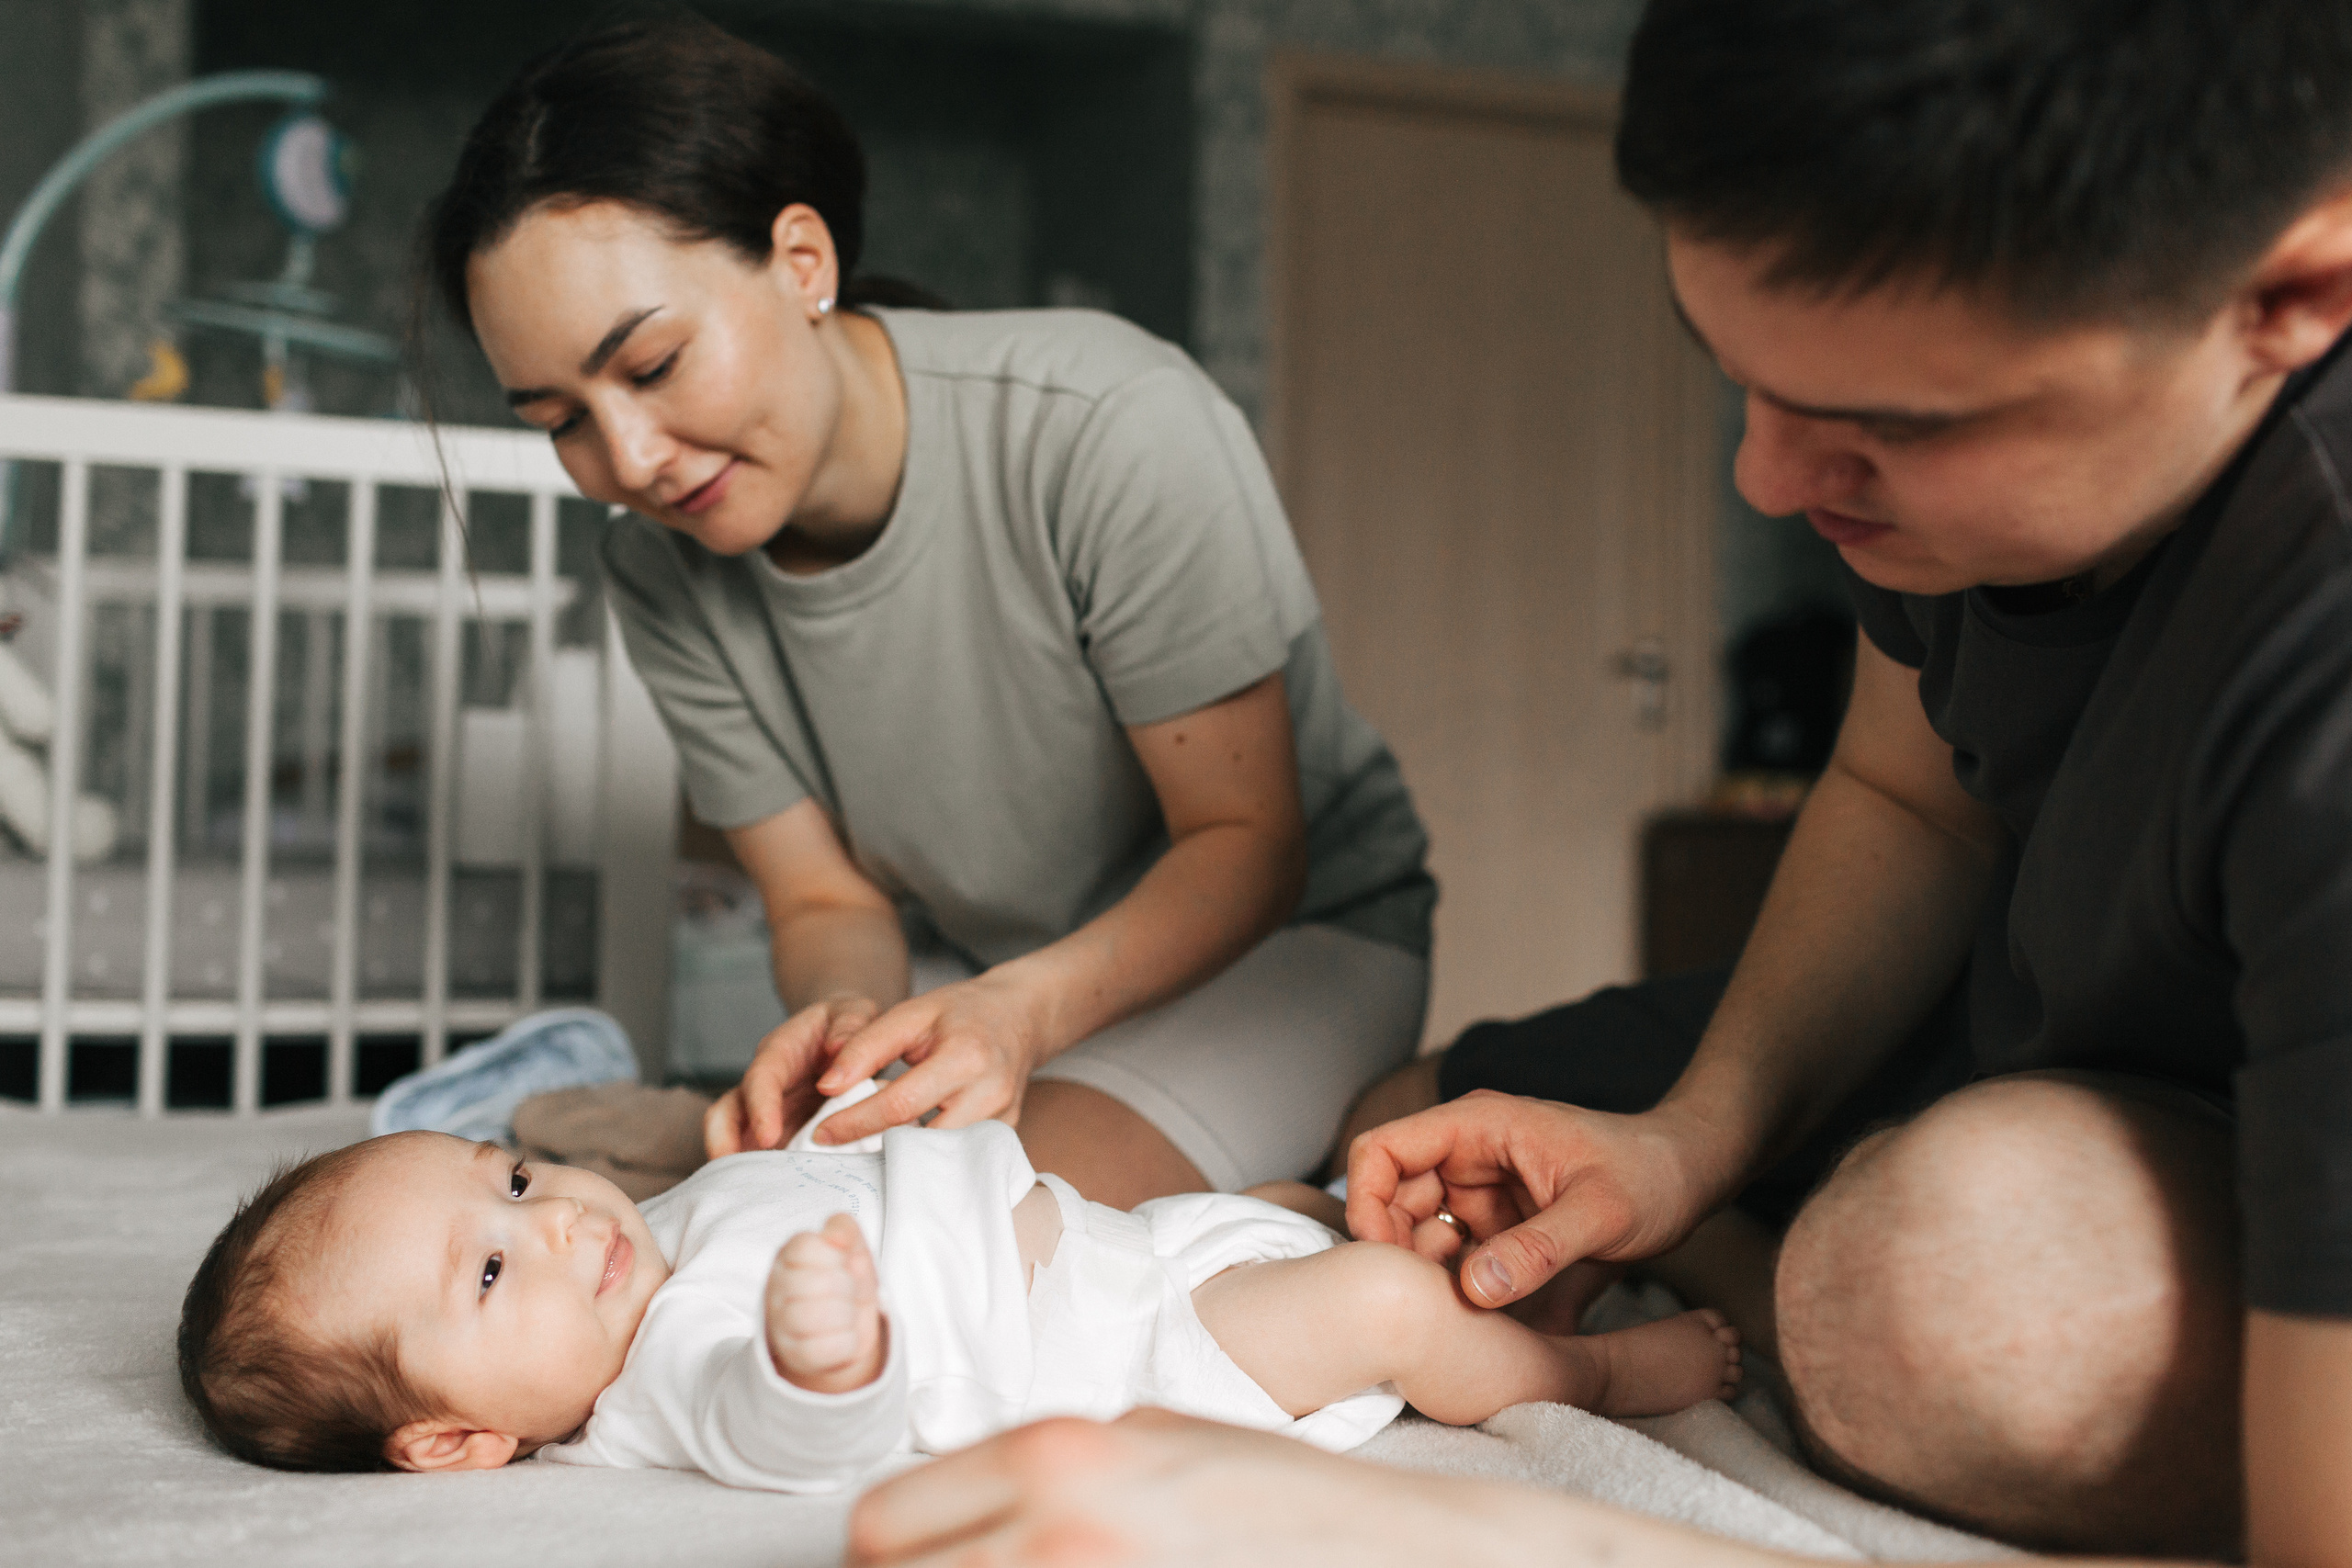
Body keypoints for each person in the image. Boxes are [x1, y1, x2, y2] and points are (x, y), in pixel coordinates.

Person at [842, 2, 2352, 1563]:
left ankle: (1783, 1277)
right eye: (1741, 378)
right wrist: (1687, 1144)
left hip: (2199, 1114)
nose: (1769, 481)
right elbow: (1909, 794)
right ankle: (1742, 1238)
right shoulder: (1969, 466)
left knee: (1931, 1298)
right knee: (1416, 1132)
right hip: (2025, 1008)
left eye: (1886, 429)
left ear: (2289, 298)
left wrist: (1446, 1538)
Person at [419, 16, 1435, 1210]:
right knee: (816, 1205)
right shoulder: (659, 572)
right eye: (560, 424)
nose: (630, 457)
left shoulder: (1107, 423)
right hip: (1001, 973)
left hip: (1293, 944)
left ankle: (1388, 1107)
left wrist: (1018, 1012)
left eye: (650, 368)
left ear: (802, 261)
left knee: (979, 1237)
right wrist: (848, 1023)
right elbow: (823, 899)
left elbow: (1247, 846)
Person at [172, 1100, 1743, 1484]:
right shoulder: (668, 1370)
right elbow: (783, 1436)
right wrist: (818, 1362)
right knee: (1389, 1316)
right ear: (454, 1440)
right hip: (1143, 1355)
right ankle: (1600, 1379)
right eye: (495, 1268)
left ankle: (1506, 1307)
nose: (557, 1214)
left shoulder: (657, 1229)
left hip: (1133, 1241)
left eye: (508, 1173)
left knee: (1308, 1213)